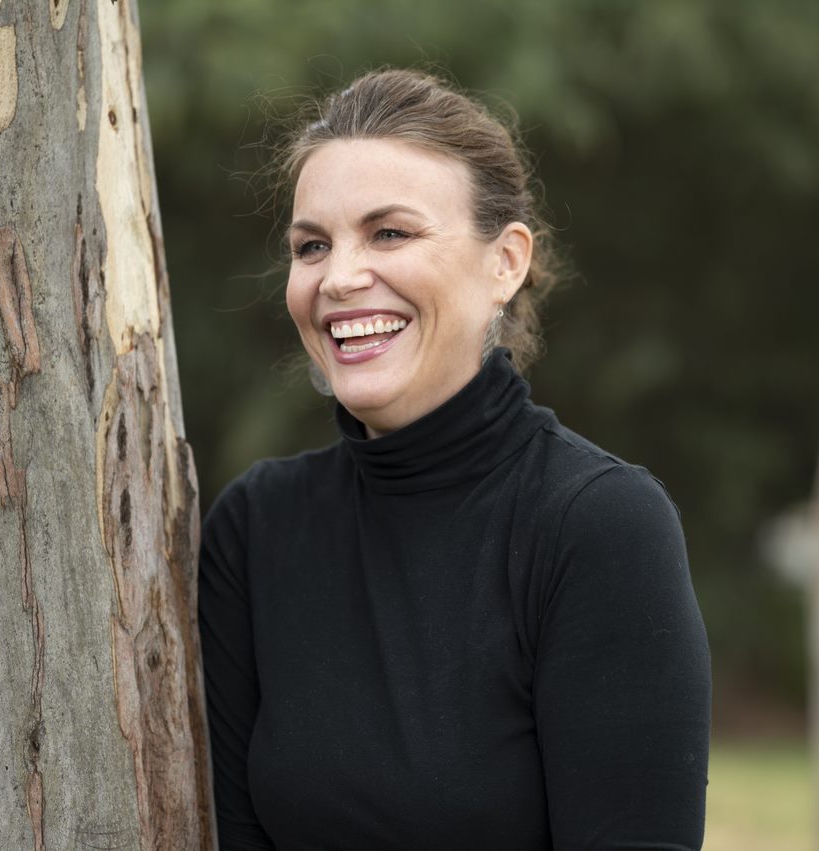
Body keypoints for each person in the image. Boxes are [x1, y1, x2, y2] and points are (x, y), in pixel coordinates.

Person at [198, 68, 712, 851]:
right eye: (312, 246)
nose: (338, 278)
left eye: (390, 233)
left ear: (504, 262)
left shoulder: (599, 526)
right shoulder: (258, 528)